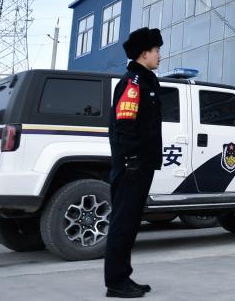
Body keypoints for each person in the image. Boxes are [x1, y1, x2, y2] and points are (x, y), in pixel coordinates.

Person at [104, 27, 164, 298]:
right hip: (132, 166)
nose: (159, 55)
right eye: (156, 50)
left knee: (130, 224)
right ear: (144, 54)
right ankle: (116, 282)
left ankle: (122, 276)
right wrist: (131, 160)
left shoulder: (146, 82)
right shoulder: (133, 83)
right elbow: (124, 125)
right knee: (123, 223)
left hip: (140, 165)